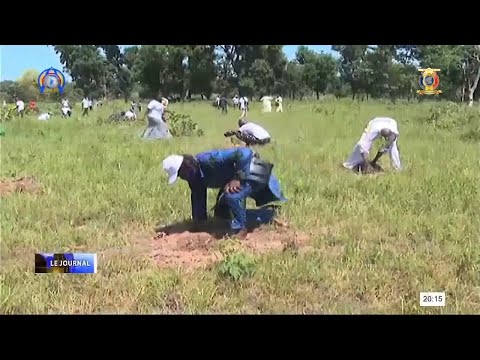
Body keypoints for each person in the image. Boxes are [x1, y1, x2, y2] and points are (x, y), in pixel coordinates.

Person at [162, 147, 287, 240]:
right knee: (222, 213)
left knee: (232, 196)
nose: (183, 178)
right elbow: (197, 197)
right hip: (240, 178)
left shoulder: (208, 159)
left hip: (253, 172)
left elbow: (245, 153)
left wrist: (237, 178)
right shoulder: (194, 178)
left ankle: (240, 230)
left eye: (181, 174)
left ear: (187, 166)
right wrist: (199, 223)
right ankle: (268, 215)